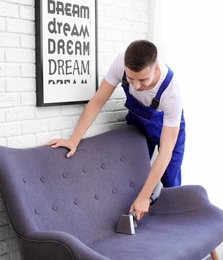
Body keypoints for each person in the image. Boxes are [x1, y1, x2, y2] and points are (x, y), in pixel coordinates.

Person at [47, 40, 186, 221]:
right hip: (138, 123)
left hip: (168, 129)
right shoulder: (121, 63)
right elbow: (98, 100)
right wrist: (74, 139)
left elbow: (166, 152)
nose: (136, 86)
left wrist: (144, 198)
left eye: (143, 79)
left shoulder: (171, 93)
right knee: (135, 174)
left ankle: (172, 229)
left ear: (156, 69)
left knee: (170, 181)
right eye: (130, 79)